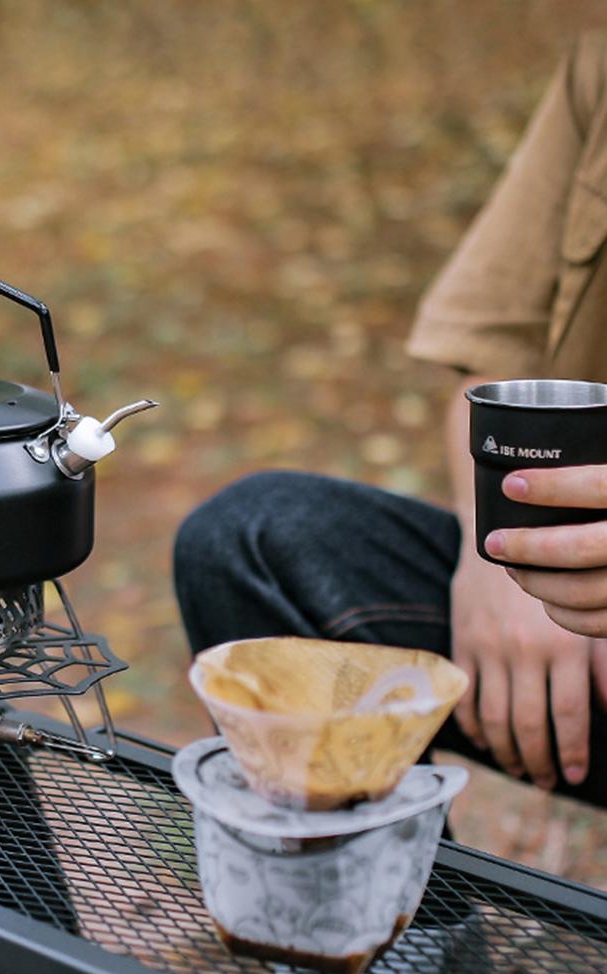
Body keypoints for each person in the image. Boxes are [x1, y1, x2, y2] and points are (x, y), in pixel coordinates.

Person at [173, 33, 607, 807]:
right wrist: (499, 555)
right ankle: (402, 924)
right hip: (571, 620)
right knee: (249, 544)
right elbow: (491, 355)